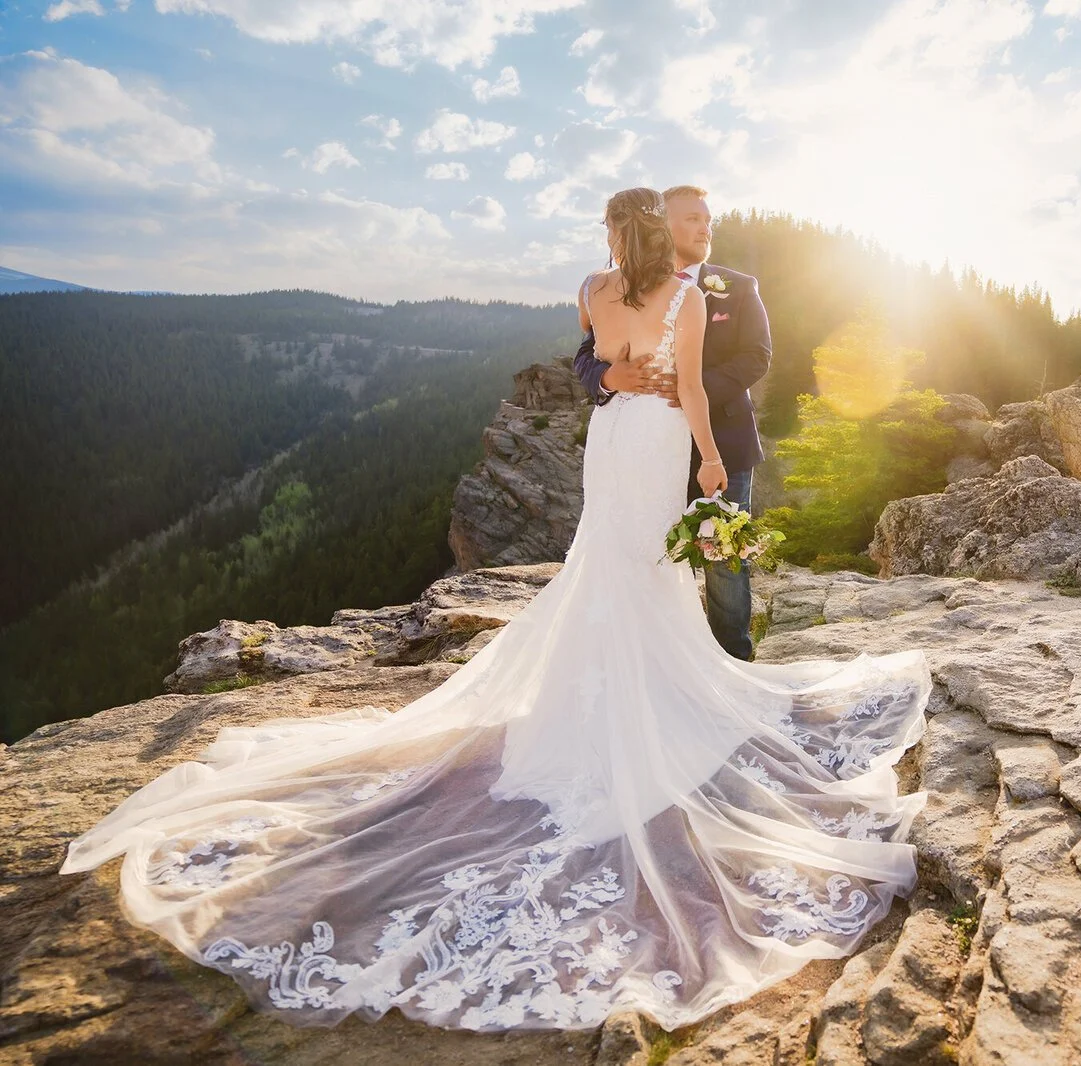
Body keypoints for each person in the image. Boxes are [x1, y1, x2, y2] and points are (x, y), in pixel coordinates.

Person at [58, 187, 931, 1036]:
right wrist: (706, 461)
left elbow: (615, 362)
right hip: (660, 438)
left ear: (612, 236)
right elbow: (678, 388)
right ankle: (665, 695)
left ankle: (619, 691)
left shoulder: (593, 288)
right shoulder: (687, 296)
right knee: (644, 569)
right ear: (660, 235)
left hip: (615, 443)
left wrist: (623, 377)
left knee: (608, 565)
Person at [573, 184, 769, 661]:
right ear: (662, 224)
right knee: (645, 546)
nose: (704, 227)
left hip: (718, 437)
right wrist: (609, 376)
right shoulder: (628, 287)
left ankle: (731, 659)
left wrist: (681, 391)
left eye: (708, 220)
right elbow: (585, 355)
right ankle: (666, 660)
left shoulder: (736, 286)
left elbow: (757, 358)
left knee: (722, 559)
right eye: (692, 219)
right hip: (650, 441)